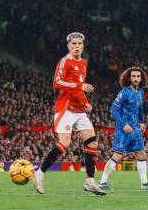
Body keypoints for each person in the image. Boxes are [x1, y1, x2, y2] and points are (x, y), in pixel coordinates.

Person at [34, 32, 105, 196]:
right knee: (64, 144)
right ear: (68, 46)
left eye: (79, 43)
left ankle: (89, 181)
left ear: (83, 45)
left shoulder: (83, 63)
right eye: (73, 44)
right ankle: (39, 175)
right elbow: (56, 82)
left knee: (92, 143)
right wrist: (79, 86)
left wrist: (85, 103)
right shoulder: (64, 61)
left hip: (79, 110)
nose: (77, 46)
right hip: (65, 108)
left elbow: (77, 90)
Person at [99, 66, 148, 191]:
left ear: (141, 78)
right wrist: (123, 125)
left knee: (141, 153)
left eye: (138, 76)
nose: (136, 78)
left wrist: (142, 121)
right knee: (118, 155)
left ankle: (144, 184)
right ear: (129, 78)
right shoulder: (124, 92)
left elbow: (140, 108)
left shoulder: (141, 91)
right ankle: (102, 182)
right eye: (134, 76)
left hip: (135, 129)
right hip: (123, 129)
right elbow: (114, 110)